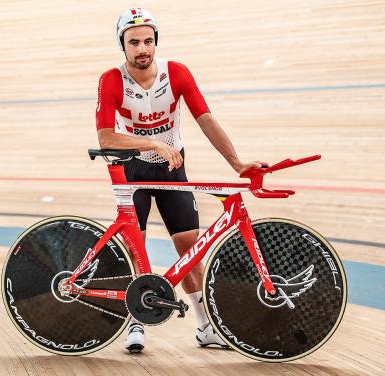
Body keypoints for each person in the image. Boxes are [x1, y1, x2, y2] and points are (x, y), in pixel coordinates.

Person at [95, 8, 268, 353]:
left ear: (155, 41)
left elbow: (205, 118)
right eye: (134, 42)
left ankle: (206, 327)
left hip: (172, 168)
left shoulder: (176, 73)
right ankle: (137, 322)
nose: (142, 48)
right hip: (134, 170)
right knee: (136, 249)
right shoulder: (111, 80)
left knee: (190, 248)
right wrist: (151, 143)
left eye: (147, 41)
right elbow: (105, 138)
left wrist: (237, 163)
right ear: (122, 46)